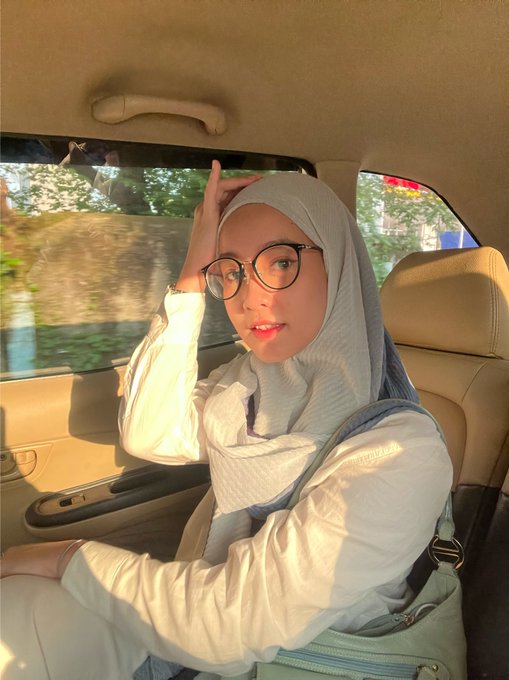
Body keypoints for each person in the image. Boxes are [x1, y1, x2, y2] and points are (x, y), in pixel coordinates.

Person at [0, 163, 453, 680]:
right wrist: (193, 271)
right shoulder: (247, 386)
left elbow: (229, 627)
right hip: (193, 635)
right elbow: (149, 431)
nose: (249, 296)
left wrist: (68, 557)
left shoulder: (400, 453)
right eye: (231, 271)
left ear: (339, 265)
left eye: (281, 262)